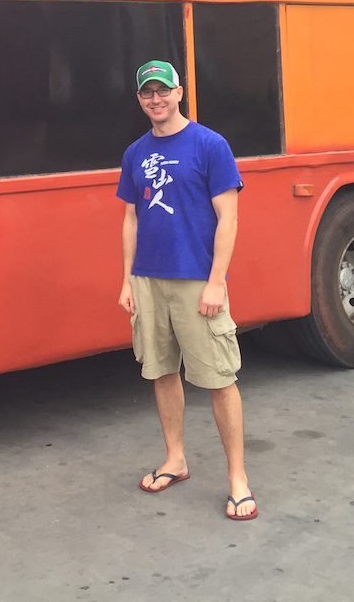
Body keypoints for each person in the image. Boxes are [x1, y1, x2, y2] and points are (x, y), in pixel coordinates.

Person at [115, 60, 256, 521]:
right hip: (149, 279)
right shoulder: (135, 152)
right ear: (140, 100)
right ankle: (175, 459)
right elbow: (131, 218)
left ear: (180, 92)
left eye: (163, 90)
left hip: (197, 279)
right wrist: (126, 279)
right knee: (160, 372)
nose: (155, 99)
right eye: (146, 93)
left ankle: (238, 479)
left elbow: (228, 217)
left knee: (219, 379)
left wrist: (217, 281)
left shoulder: (210, 145)